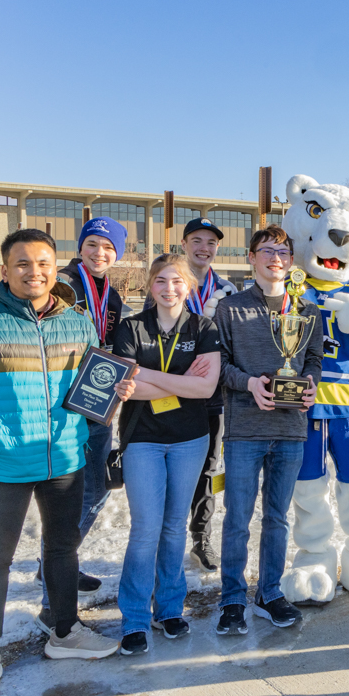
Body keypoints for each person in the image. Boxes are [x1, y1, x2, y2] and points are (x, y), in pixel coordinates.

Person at [0, 229, 120, 696]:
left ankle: (64, 632)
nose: (33, 272)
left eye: (42, 263)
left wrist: (105, 402)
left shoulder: (78, 323)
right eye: (22, 264)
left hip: (65, 460)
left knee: (62, 549)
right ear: (5, 271)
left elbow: (89, 386)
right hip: (5, 464)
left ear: (55, 268)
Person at [110, 254, 222, 655]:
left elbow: (206, 389)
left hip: (190, 439)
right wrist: (181, 382)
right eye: (160, 280)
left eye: (176, 281)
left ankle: (170, 609)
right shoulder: (130, 328)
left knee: (175, 525)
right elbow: (125, 387)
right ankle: (135, 619)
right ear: (150, 285)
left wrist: (147, 376)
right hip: (142, 438)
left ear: (188, 285)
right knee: (145, 529)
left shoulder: (204, 328)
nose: (168, 288)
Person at [214, 226, 322, 634]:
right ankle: (231, 599)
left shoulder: (307, 311)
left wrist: (310, 382)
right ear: (251, 257)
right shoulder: (230, 308)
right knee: (238, 518)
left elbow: (312, 359)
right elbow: (219, 364)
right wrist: (250, 384)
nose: (275, 258)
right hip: (245, 429)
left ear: (292, 261)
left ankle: (269, 592)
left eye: (283, 251)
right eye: (267, 251)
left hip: (291, 429)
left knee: (277, 518)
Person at [31, 216, 127, 633]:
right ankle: (55, 574)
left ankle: (53, 563)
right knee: (73, 491)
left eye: (109, 247)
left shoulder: (115, 294)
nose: (100, 253)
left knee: (98, 486)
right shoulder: (62, 284)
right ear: (81, 245)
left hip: (98, 398)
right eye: (93, 244)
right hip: (62, 403)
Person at [178, 217, 237, 571]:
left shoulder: (228, 290)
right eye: (197, 240)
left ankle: (201, 537)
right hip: (171, 394)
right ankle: (165, 542)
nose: (204, 248)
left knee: (211, 469)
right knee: (172, 468)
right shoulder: (170, 282)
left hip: (214, 397)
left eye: (211, 242)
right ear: (184, 244)